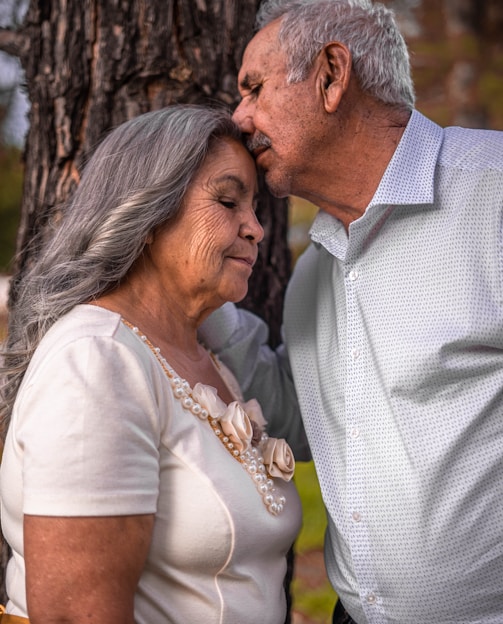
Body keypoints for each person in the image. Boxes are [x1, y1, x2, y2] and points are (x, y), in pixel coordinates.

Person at [198, 1, 503, 623]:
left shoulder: (492, 195)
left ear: (332, 75)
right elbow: (302, 419)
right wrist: (197, 293)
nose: (240, 116)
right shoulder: (317, 270)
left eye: (255, 86)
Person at [0, 104, 303, 624]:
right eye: (228, 201)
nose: (256, 228)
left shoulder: (204, 360)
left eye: (254, 209)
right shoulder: (96, 361)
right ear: (145, 213)